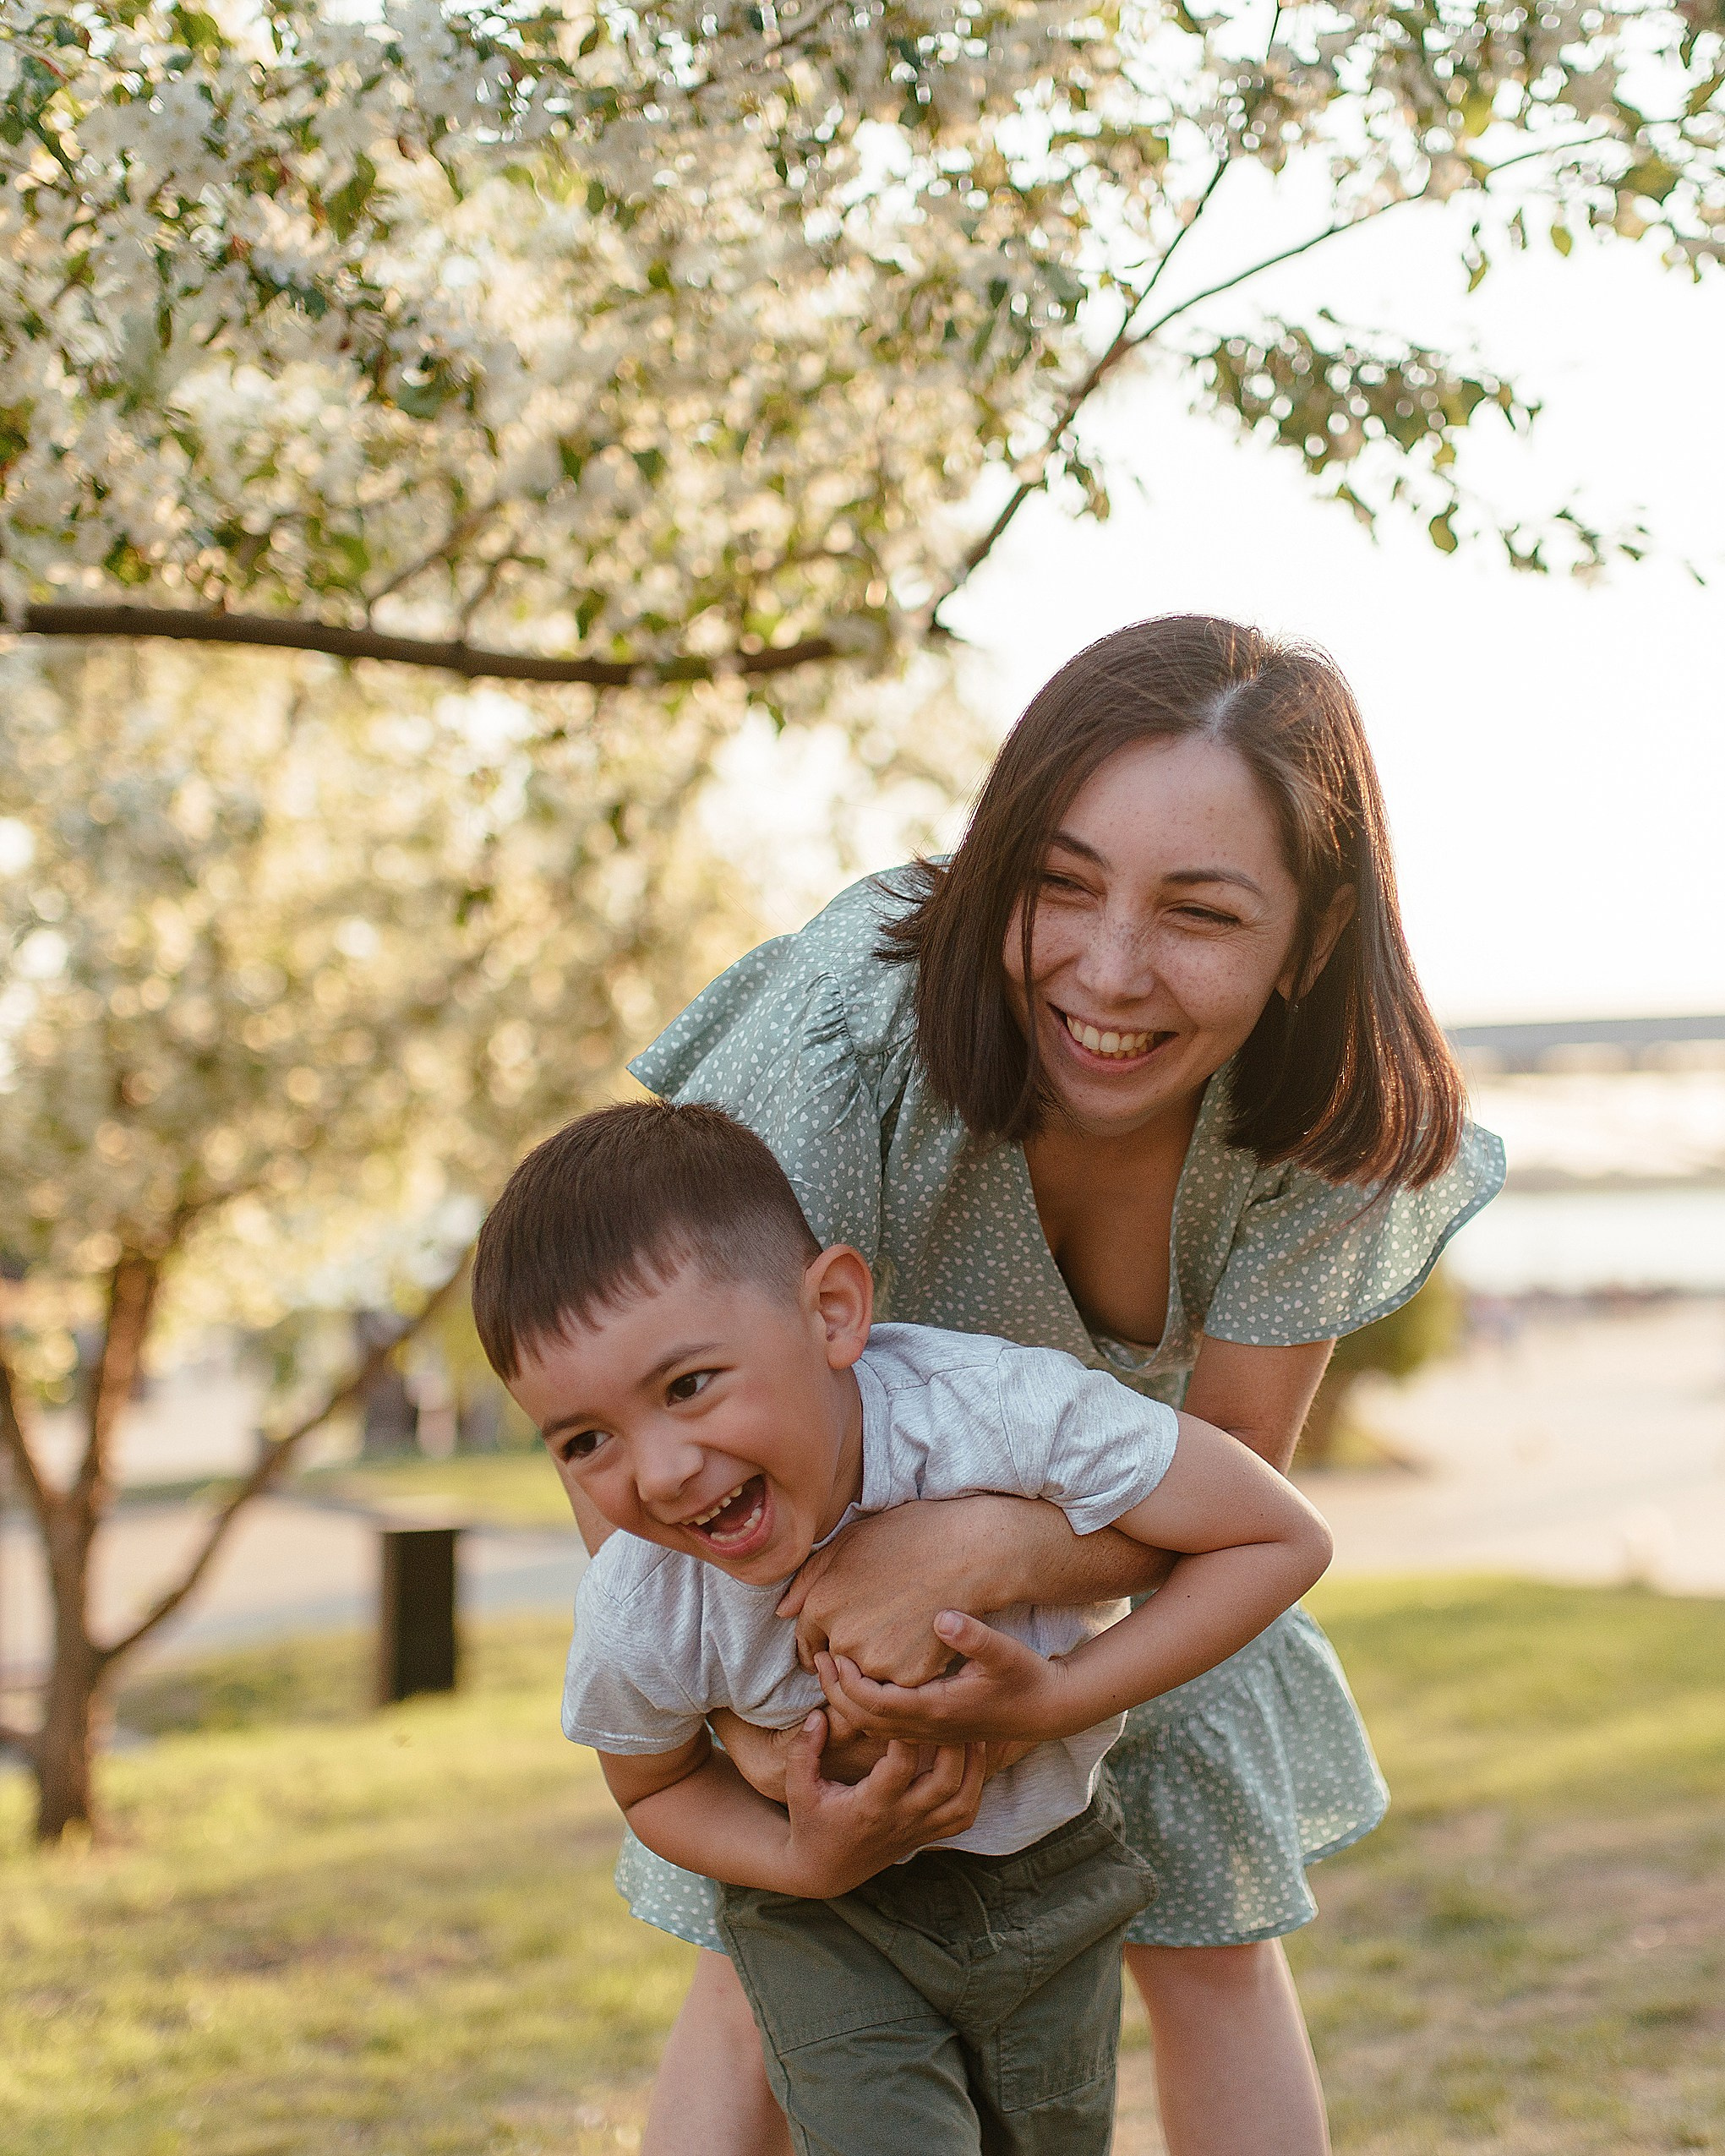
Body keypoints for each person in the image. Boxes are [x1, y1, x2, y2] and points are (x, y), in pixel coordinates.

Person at [598, 615, 1504, 2156]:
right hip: (807, 1606)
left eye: (1199, 913)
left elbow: (1230, 1468)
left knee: (1212, 1943)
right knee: (768, 1974)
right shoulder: (855, 1025)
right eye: (1059, 883)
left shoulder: (1329, 1125)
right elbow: (661, 1411)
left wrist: (998, 1551)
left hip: (1146, 1567)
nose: (1110, 969)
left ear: (1309, 931)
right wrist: (763, 1737)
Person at [471, 1098, 1335, 2155]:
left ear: (834, 1311)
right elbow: (651, 1782)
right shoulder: (644, 1597)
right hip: (829, 1925)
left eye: (689, 1385)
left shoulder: (993, 1413)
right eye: (584, 1439)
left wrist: (1059, 1696)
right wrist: (801, 1860)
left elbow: (1277, 1537)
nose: (658, 1472)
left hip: (1048, 1877)